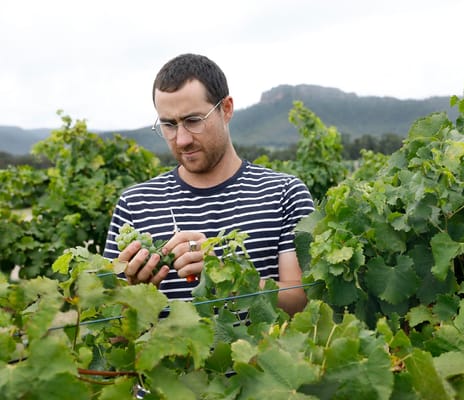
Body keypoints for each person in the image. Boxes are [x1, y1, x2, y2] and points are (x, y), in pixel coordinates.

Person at [102, 53, 315, 316]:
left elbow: (304, 301)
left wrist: (225, 273)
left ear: (226, 109)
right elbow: (109, 326)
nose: (181, 140)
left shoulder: (284, 194)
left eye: (193, 121)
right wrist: (132, 295)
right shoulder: (135, 204)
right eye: (169, 125)